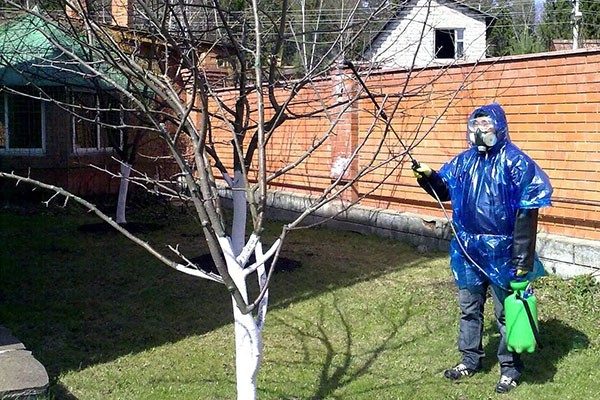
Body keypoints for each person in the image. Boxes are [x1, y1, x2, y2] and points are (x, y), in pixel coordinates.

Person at [412, 103, 552, 394]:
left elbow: (528, 211)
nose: (480, 132)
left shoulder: (516, 163)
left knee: (506, 314)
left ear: (499, 127)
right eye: (476, 126)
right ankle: (469, 359)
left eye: (486, 126)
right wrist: (430, 179)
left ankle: (509, 368)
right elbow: (445, 192)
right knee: (469, 308)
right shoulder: (464, 162)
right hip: (467, 248)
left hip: (503, 251)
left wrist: (522, 260)